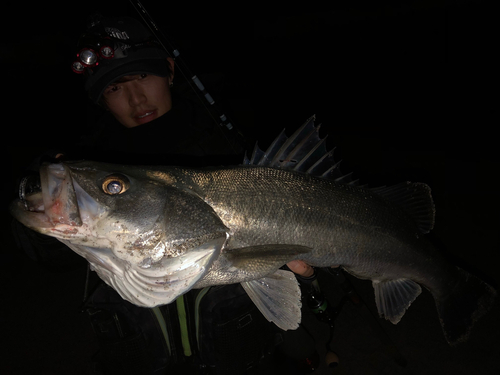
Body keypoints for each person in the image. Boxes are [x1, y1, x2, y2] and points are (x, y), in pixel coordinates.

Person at [13, 14, 322, 375]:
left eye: (143, 76)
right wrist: (40, 204)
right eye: (114, 88)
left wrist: (310, 276)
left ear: (170, 71)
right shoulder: (88, 159)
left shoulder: (230, 151)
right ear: (101, 100)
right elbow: (46, 252)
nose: (135, 98)